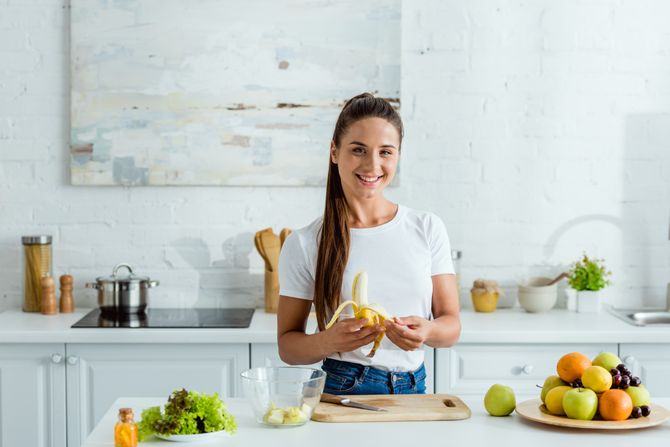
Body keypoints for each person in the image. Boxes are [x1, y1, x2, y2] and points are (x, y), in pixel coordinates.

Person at [277, 93, 460, 395]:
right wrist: (328, 341)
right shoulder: (306, 242)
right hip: (344, 388)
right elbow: (287, 346)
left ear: (398, 155)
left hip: (415, 386)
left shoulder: (427, 228)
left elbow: (451, 326)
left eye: (385, 152)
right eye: (358, 150)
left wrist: (429, 331)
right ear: (334, 152)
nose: (372, 165)